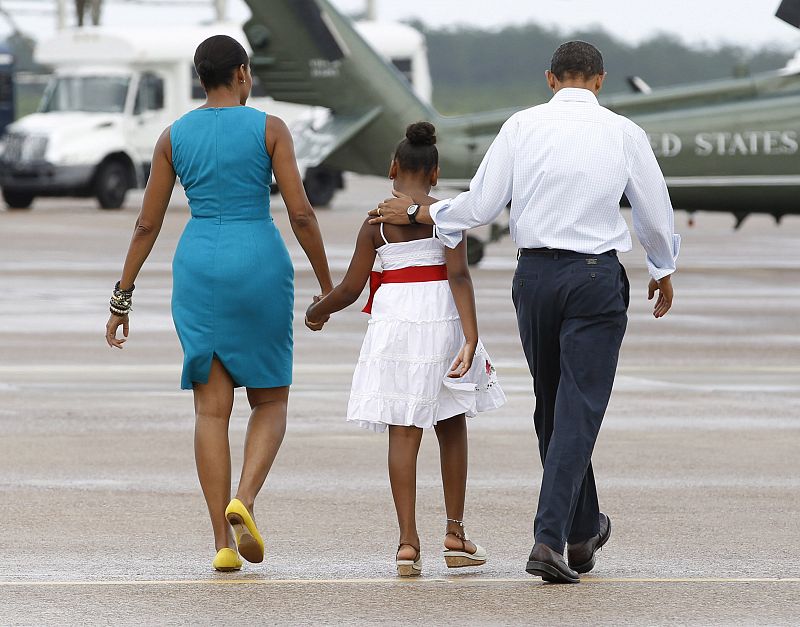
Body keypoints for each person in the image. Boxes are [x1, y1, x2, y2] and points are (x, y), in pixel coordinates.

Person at [369, 41, 679, 583]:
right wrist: (662, 265)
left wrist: (421, 210)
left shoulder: (521, 126)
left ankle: (582, 532)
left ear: (551, 79)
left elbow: (482, 205)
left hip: (534, 278)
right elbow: (654, 208)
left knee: (553, 407)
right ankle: (549, 536)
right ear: (600, 81)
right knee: (579, 409)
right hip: (593, 278)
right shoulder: (625, 132)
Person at [104, 35, 333, 572]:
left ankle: (222, 546)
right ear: (243, 74)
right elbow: (301, 214)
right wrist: (327, 286)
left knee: (211, 410)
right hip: (258, 256)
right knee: (271, 400)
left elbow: (147, 222)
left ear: (201, 78)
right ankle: (245, 500)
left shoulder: (173, 135)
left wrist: (122, 297)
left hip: (199, 260)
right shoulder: (270, 128)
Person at [306, 122, 506, 577]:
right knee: (452, 423)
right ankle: (455, 535)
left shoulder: (375, 224)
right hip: (444, 320)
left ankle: (407, 544)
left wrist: (317, 311)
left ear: (392, 168)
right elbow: (459, 277)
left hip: (396, 324)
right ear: (435, 174)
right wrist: (470, 337)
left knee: (403, 429)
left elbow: (352, 288)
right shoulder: (446, 216)